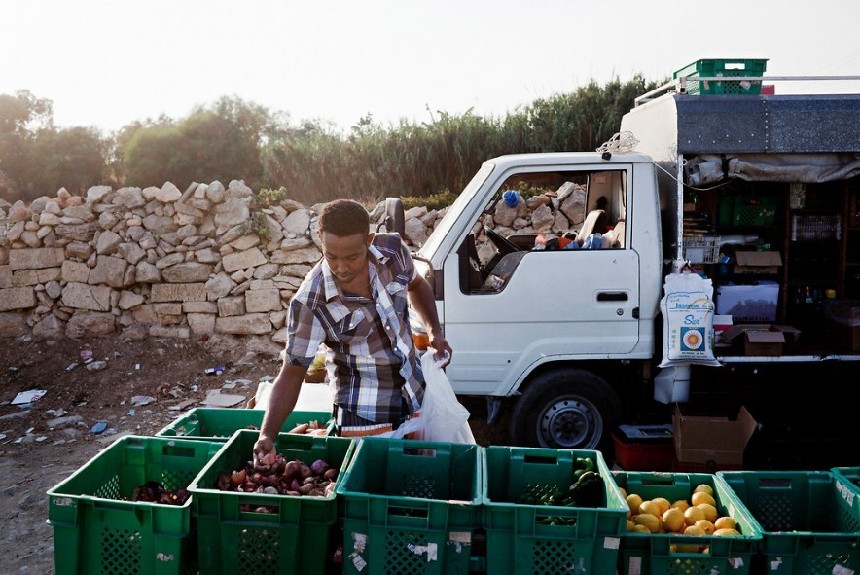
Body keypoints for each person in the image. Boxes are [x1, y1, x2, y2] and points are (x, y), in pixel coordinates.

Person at [253, 199, 452, 464]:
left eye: (352, 257)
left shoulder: (392, 251)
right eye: (331, 256)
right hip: (363, 420)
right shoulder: (311, 302)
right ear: (320, 240)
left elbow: (417, 286)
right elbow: (291, 374)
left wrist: (434, 331)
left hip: (415, 397)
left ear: (369, 240)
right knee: (372, 496)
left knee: (415, 482)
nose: (341, 267)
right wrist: (267, 435)